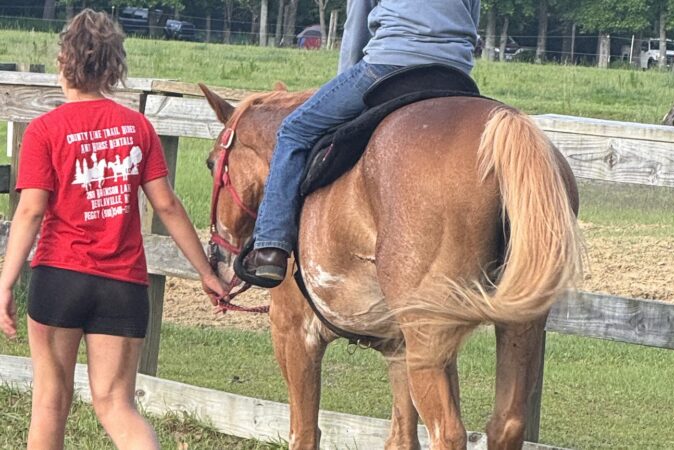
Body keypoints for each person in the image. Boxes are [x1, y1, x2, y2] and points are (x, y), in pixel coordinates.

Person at [0, 10, 227, 449]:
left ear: (63, 59)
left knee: (49, 402)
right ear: (113, 66)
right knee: (116, 404)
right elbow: (168, 205)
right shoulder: (138, 126)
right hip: (122, 286)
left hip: (59, 279)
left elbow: (29, 212)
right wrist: (205, 272)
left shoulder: (45, 130)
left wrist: (5, 282)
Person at [247, 0, 481, 284]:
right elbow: (472, 16)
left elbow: (356, 27)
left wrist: (344, 82)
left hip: (390, 62)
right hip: (455, 69)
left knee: (294, 131)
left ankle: (271, 245)